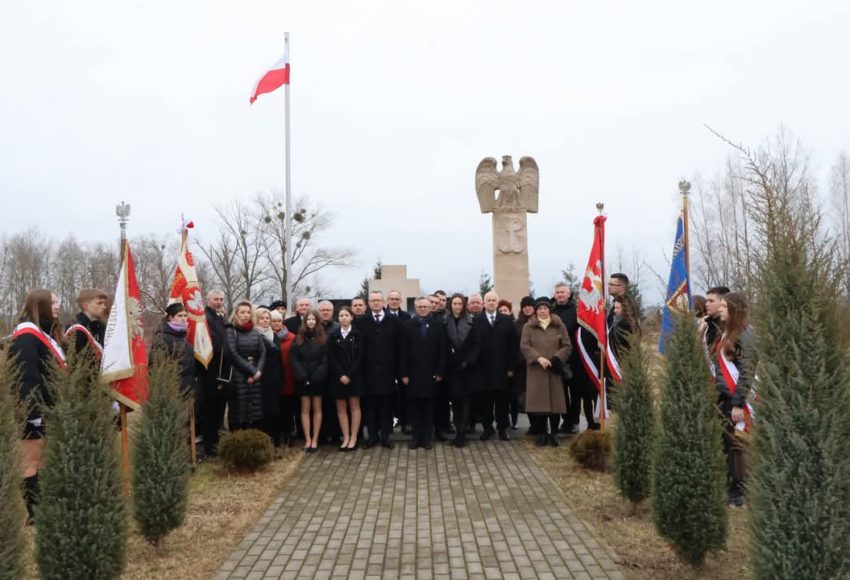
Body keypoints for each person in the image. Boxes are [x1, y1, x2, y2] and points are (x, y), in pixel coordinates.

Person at [9, 289, 64, 524]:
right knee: (30, 459)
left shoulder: (43, 334)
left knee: (42, 459)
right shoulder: (26, 336)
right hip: (32, 409)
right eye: (52, 302)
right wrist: (31, 413)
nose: (57, 306)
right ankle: (34, 512)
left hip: (47, 408)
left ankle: (44, 505)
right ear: (38, 306)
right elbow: (25, 377)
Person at [715, 292, 756, 507]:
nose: (720, 309)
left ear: (734, 310)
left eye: (724, 306)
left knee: (736, 446)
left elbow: (747, 372)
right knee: (726, 444)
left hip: (735, 401)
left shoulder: (745, 336)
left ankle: (739, 492)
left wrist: (739, 403)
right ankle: (729, 486)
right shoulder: (728, 334)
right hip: (724, 398)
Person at [520, 297, 572, 447]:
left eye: (545, 308)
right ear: (536, 311)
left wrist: (557, 358)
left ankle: (554, 434)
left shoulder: (559, 326)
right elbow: (524, 346)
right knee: (540, 405)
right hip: (537, 370)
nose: (543, 311)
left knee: (555, 405)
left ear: (550, 310)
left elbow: (567, 346)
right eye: (540, 308)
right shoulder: (528, 327)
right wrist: (538, 358)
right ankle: (542, 434)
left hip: (554, 370)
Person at [356, 291, 402, 449]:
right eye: (372, 301)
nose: (376, 303)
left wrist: (399, 372)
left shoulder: (394, 321)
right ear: (368, 303)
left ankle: (386, 437)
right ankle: (372, 437)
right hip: (368, 372)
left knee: (386, 407)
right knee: (370, 407)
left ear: (384, 302)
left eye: (378, 300)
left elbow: (399, 349)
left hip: (388, 372)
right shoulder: (361, 322)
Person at [400, 297, 446, 450]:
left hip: (431, 374)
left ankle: (426, 439)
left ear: (430, 308)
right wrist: (404, 373)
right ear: (415, 308)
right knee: (414, 409)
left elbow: (442, 351)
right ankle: (415, 438)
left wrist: (440, 372)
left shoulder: (439, 325)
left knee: (428, 409)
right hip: (412, 375)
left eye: (425, 306)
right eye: (419, 307)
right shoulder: (407, 326)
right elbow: (403, 352)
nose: (422, 309)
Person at [475, 291, 517, 441]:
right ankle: (487, 428)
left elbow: (513, 346)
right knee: (485, 402)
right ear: (484, 303)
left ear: (497, 303)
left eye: (494, 300)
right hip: (483, 370)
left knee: (502, 402)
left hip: (502, 370)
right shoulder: (477, 321)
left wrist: (511, 368)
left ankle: (502, 429)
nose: (491, 302)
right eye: (488, 300)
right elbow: (474, 346)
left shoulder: (506, 321)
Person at [443, 293, 481, 448]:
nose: (457, 306)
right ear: (450, 305)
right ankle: (457, 430)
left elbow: (477, 344)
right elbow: (443, 344)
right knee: (455, 402)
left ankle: (462, 433)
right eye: (454, 303)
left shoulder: (472, 321)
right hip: (452, 368)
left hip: (467, 368)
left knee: (465, 402)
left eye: (460, 303)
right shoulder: (445, 322)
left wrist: (467, 361)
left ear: (464, 305)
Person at [225, 300, 266, 431]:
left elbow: (262, 352)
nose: (246, 315)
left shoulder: (255, 332)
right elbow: (233, 354)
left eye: (248, 312)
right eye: (242, 312)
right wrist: (252, 371)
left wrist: (258, 371)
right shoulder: (230, 331)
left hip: (255, 379)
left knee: (254, 412)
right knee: (238, 412)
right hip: (237, 377)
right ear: (236, 314)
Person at [290, 310, 328, 452]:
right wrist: (303, 377)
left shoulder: (323, 339)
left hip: (318, 380)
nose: (311, 322)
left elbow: (326, 360)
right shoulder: (298, 338)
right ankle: (307, 439)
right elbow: (294, 359)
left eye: (313, 319)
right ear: (304, 322)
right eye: (308, 319)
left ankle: (315, 440)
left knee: (317, 409)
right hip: (303, 380)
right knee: (305, 410)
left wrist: (317, 377)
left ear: (317, 321)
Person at [328, 306, 364, 451]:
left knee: (355, 407)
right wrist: (341, 374)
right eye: (341, 315)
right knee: (341, 409)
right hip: (338, 378)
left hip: (354, 377)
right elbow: (332, 358)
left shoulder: (358, 335)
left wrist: (349, 374)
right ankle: (346, 437)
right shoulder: (333, 335)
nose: (343, 317)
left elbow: (360, 357)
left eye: (346, 315)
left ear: (351, 317)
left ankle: (354, 437)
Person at [199, 290, 229, 457]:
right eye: (216, 299)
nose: (219, 302)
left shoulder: (219, 317)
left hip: (222, 369)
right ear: (208, 300)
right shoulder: (205, 318)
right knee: (210, 410)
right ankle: (210, 445)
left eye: (221, 299)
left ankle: (216, 442)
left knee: (219, 409)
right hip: (210, 369)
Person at [149, 303, 196, 397]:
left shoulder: (181, 335)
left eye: (185, 316)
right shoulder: (163, 337)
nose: (183, 318)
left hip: (187, 390)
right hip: (172, 393)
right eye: (180, 316)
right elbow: (156, 366)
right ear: (170, 317)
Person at [551, 283, 578, 433]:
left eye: (563, 292)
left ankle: (573, 422)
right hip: (555, 357)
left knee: (574, 392)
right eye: (557, 293)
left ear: (569, 294)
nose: (560, 295)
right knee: (560, 392)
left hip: (573, 358)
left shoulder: (576, 311)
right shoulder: (551, 310)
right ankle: (565, 420)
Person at [254, 307, 283, 446]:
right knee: (263, 410)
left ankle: (275, 441)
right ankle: (263, 441)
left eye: (267, 318)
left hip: (274, 377)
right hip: (261, 376)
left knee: (274, 410)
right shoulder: (254, 335)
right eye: (262, 318)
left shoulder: (275, 336)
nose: (265, 321)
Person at [512, 296, 535, 431]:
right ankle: (515, 420)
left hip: (535, 364)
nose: (527, 308)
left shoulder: (539, 322)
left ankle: (535, 424)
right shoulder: (516, 324)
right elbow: (513, 344)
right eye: (525, 306)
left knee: (534, 395)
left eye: (530, 306)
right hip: (520, 365)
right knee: (518, 394)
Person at [498, 299, 521, 429]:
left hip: (513, 365)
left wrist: (513, 366)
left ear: (510, 311)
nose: (503, 312)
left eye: (505, 310)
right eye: (500, 311)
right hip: (501, 367)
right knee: (503, 396)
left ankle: (515, 419)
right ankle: (504, 420)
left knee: (514, 396)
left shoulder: (515, 325)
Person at [65, 288, 107, 356]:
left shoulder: (102, 326)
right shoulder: (76, 328)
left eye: (104, 303)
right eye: (99, 303)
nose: (104, 307)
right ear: (86, 306)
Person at [699, 286, 731, 365]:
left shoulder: (731, 326)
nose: (706, 304)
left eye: (711, 301)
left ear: (723, 302)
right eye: (706, 301)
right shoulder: (705, 326)